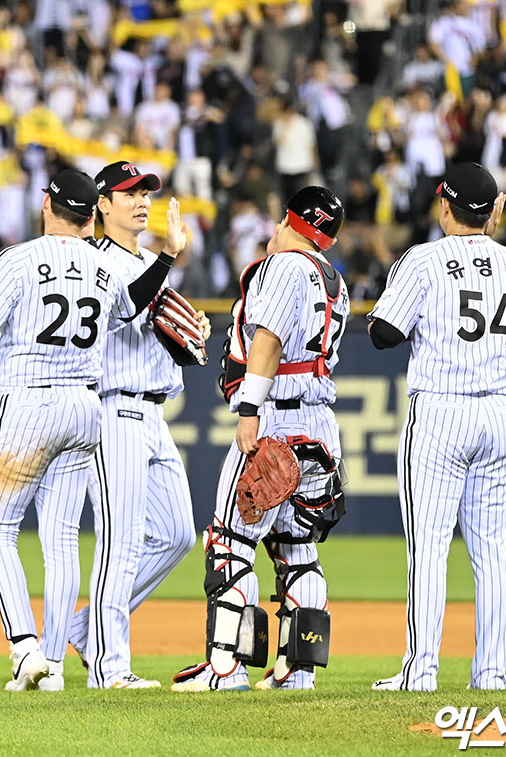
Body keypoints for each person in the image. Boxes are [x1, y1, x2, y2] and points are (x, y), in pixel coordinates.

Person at [0, 169, 187, 691]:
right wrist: (169, 258)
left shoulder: (17, 259)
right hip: (84, 408)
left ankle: (25, 649)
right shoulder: (104, 268)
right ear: (92, 214)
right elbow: (133, 304)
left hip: (27, 403)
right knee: (62, 540)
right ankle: (57, 666)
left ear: (47, 205)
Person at [367, 162, 506, 691]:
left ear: (444, 205)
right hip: (499, 413)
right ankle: (489, 674)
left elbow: (381, 333)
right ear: (494, 211)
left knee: (430, 546)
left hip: (443, 412)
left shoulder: (424, 259)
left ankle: (420, 673)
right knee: (490, 548)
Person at [171, 186, 350, 693]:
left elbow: (267, 342)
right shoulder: (332, 279)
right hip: (319, 426)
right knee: (298, 549)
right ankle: (298, 672)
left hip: (274, 418)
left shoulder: (282, 266)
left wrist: (249, 409)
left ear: (288, 219)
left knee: (230, 543)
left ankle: (226, 668)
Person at [63, 162, 205, 690]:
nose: (142, 200)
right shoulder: (93, 261)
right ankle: (109, 667)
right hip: (112, 409)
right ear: (101, 206)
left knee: (175, 534)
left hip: (153, 411)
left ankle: (84, 630)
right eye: (128, 193)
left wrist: (190, 333)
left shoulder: (149, 260)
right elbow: (125, 311)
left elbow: (161, 326)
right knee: (119, 542)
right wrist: (169, 258)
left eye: (146, 192)